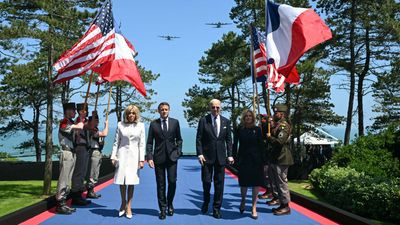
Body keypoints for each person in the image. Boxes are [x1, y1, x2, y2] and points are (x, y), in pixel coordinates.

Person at [196, 99, 234, 219]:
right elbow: (199, 139)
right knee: (206, 182)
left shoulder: (226, 121)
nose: (215, 109)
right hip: (206, 158)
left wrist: (230, 154)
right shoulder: (203, 121)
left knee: (219, 184)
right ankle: (206, 202)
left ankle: (216, 208)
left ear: (220, 108)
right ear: (210, 108)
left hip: (221, 158)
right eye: (213, 107)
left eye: (217, 107)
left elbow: (229, 140)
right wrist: (200, 153)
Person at [146, 102, 183, 220]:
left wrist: (178, 152)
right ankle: (162, 208)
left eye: (166, 109)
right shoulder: (153, 124)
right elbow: (150, 142)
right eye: (162, 109)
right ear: (158, 111)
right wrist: (150, 158)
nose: (164, 111)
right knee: (160, 185)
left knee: (172, 182)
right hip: (159, 158)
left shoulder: (175, 122)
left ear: (169, 110)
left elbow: (179, 139)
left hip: (172, 158)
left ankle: (170, 204)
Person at [111, 105, 145, 219]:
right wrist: (113, 156)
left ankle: (129, 206)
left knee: (131, 181)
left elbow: (142, 144)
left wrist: (141, 159)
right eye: (129, 113)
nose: (131, 115)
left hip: (134, 156)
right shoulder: (120, 125)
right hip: (122, 155)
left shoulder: (141, 126)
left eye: (133, 113)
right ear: (126, 114)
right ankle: (123, 202)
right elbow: (116, 142)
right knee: (122, 181)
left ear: (136, 115)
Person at [233, 109, 265, 220]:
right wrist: (233, 157)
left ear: (253, 118)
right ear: (243, 118)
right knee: (244, 184)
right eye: (246, 116)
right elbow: (235, 144)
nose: (248, 118)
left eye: (250, 116)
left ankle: (253, 207)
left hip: (256, 161)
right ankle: (243, 201)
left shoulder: (257, 130)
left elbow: (261, 146)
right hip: (244, 160)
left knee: (256, 184)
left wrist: (264, 161)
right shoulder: (239, 129)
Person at [55, 102, 84, 214]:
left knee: (68, 179)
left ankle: (64, 202)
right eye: (72, 110)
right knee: (64, 178)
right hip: (66, 152)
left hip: (72, 152)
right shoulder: (64, 122)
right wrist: (81, 119)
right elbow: (78, 126)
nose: (74, 112)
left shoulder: (70, 122)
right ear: (67, 111)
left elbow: (76, 132)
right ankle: (60, 202)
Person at [266, 103, 294, 216]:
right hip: (275, 158)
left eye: (276, 112)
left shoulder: (284, 126)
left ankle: (286, 206)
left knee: (282, 183)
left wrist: (270, 138)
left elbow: (279, 142)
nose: (274, 114)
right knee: (276, 182)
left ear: (282, 114)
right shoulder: (277, 125)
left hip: (282, 158)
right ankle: (280, 201)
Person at [70, 103, 92, 206]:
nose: (85, 112)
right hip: (80, 147)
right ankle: (75, 194)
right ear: (79, 111)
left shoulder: (84, 121)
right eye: (83, 110)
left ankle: (79, 193)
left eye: (86, 110)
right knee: (78, 171)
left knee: (83, 171)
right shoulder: (78, 121)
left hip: (85, 147)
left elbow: (91, 127)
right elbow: (78, 130)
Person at [85, 112, 109, 199]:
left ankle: (91, 190)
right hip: (93, 151)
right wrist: (106, 125)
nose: (97, 122)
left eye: (98, 120)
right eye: (96, 120)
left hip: (97, 151)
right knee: (93, 172)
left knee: (95, 172)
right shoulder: (91, 129)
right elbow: (104, 133)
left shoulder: (95, 128)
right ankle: (90, 191)